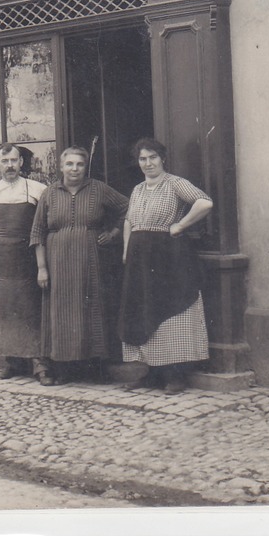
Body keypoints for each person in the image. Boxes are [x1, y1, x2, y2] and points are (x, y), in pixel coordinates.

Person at [118, 137, 213, 394]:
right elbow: (129, 221)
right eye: (142, 159)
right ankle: (151, 372)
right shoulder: (138, 189)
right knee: (145, 310)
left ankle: (175, 375)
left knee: (170, 311)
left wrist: (180, 225)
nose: (148, 163)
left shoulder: (174, 183)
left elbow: (204, 202)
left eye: (152, 157)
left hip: (167, 256)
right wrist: (127, 250)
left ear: (163, 159)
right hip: (139, 258)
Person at [30, 146, 128, 385]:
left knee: (91, 311)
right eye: (70, 164)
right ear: (61, 167)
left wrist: (113, 234)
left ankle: (92, 368)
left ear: (86, 167)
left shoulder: (99, 189)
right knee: (61, 315)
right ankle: (64, 369)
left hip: (90, 262)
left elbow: (128, 207)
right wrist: (42, 268)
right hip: (57, 263)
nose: (74, 169)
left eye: (79, 164)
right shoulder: (49, 193)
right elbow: (37, 232)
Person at [0, 143, 46, 380]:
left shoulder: (37, 189)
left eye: (14, 161)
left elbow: (42, 228)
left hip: (27, 258)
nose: (10, 166)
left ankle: (39, 363)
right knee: (3, 310)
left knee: (31, 310)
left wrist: (41, 265)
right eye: (5, 162)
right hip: (0, 260)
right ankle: (13, 361)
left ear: (21, 163)